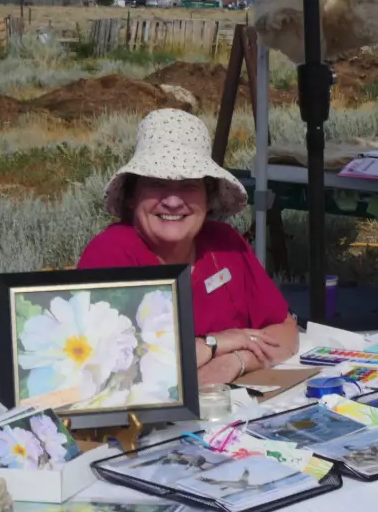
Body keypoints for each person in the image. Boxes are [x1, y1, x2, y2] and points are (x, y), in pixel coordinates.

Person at [77, 108, 299, 386]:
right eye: (157, 184)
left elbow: (286, 331)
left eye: (189, 186)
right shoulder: (110, 254)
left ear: (208, 198)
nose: (172, 201)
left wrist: (233, 362)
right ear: (132, 197)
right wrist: (214, 343)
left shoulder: (226, 244)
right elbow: (114, 368)